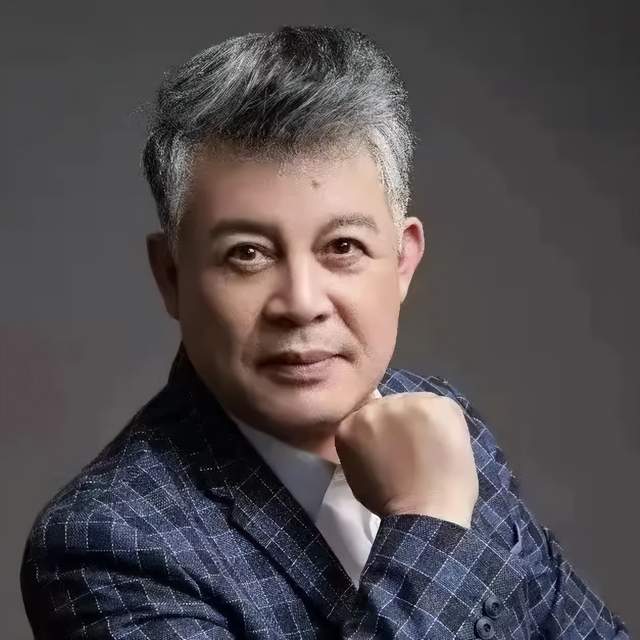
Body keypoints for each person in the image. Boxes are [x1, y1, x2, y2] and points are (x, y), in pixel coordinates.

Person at [20, 25, 629, 640]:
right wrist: (430, 521)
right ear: (171, 277)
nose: (302, 304)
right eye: (248, 254)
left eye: (343, 247)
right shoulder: (105, 547)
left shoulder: (444, 426)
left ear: (402, 262)